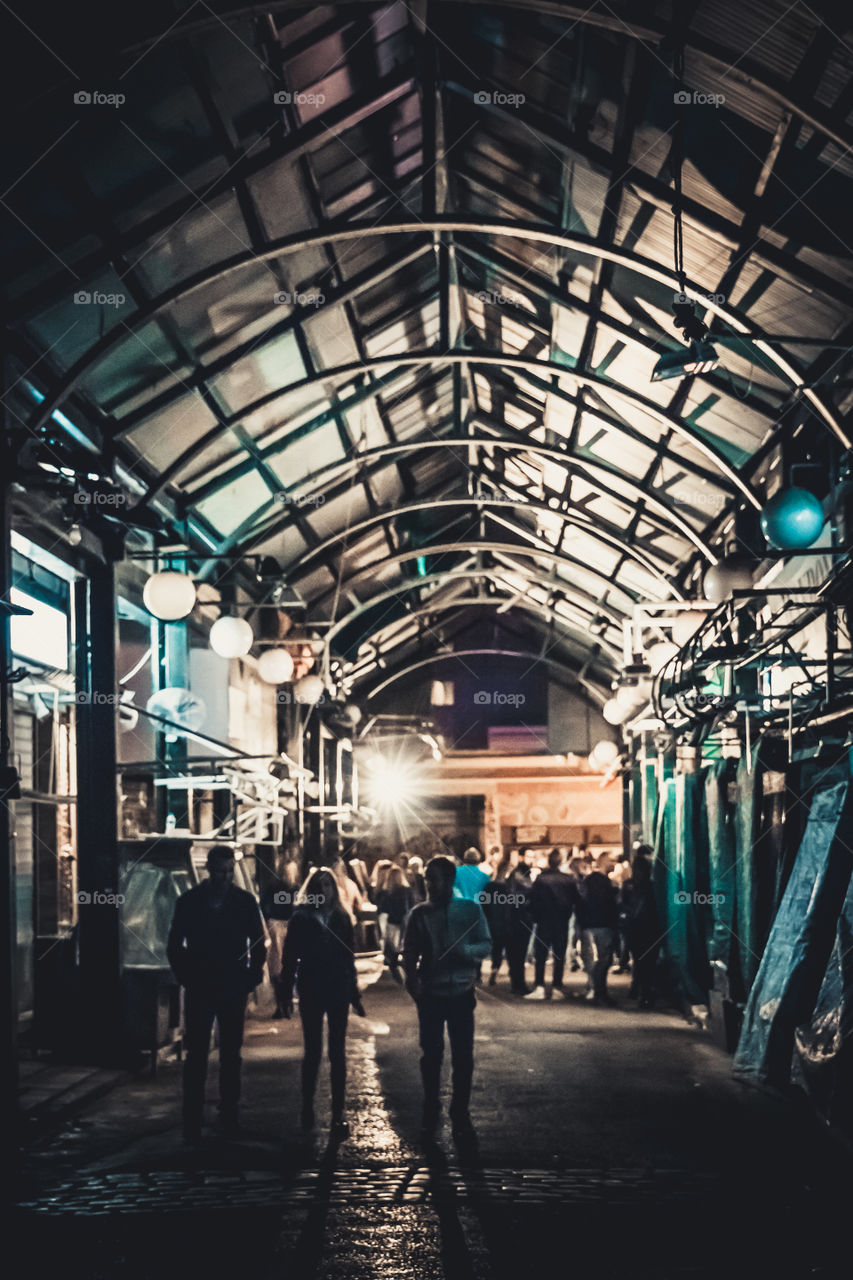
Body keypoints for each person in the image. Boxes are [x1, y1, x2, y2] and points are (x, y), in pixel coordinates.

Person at [167, 845, 266, 1142]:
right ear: (209, 870)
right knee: (197, 1054)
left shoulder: (243, 902)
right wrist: (187, 976)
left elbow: (258, 943)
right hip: (202, 986)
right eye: (220, 871)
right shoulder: (190, 902)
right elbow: (174, 945)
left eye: (228, 872)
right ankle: (193, 1117)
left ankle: (228, 1112)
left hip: (231, 985)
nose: (224, 877)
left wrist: (250, 977)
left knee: (230, 1054)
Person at [402, 856, 492, 1141]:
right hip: (432, 993)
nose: (428, 883)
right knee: (431, 1053)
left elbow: (486, 943)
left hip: (461, 992)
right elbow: (410, 952)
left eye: (433, 878)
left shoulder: (469, 909)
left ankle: (459, 1109)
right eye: (426, 878)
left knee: (463, 1055)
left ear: (449, 881)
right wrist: (413, 984)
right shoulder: (419, 914)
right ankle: (432, 1105)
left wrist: (466, 951)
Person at [278, 867, 366, 1137]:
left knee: (337, 1051)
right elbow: (290, 957)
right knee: (313, 1050)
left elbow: (348, 957)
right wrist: (284, 993)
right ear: (313, 890)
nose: (325, 890)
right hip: (312, 987)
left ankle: (338, 1111)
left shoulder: (341, 917)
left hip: (337, 986)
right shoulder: (302, 918)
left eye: (329, 885)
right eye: (320, 886)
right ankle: (307, 1107)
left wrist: (354, 994)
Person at [525, 848, 578, 1000]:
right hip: (562, 921)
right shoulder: (569, 879)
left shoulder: (541, 879)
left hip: (543, 921)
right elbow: (576, 899)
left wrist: (534, 916)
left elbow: (532, 899)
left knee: (540, 955)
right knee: (559, 954)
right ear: (561, 862)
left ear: (549, 861)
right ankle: (556, 987)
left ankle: (540, 986)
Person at [576, 853, 619, 1006]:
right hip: (603, 925)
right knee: (604, 960)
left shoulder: (588, 881)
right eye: (611, 861)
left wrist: (581, 924)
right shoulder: (606, 884)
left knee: (595, 960)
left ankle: (595, 990)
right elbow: (612, 906)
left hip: (589, 926)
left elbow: (579, 903)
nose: (613, 864)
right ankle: (600, 992)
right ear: (603, 863)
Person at [622, 849, 661, 1008]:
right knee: (649, 963)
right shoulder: (652, 886)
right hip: (651, 928)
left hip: (634, 929)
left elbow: (623, 905)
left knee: (638, 961)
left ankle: (637, 988)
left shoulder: (628, 885)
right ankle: (645, 993)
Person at [378, 863, 415, 983]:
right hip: (405, 923)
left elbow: (383, 909)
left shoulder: (387, 892)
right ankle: (407, 974)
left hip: (392, 923)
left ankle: (396, 975)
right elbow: (412, 906)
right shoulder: (407, 890)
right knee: (405, 949)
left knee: (392, 951)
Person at [486, 847, 518, 985]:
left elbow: (485, 907)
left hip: (494, 923)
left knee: (496, 949)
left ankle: (494, 970)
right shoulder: (510, 889)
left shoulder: (489, 887)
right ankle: (513, 975)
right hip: (509, 924)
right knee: (511, 950)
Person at [506, 854, 534, 995]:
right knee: (520, 953)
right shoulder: (526, 886)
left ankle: (515, 983)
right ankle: (519, 983)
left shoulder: (512, 880)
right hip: (522, 920)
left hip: (511, 921)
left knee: (513, 954)